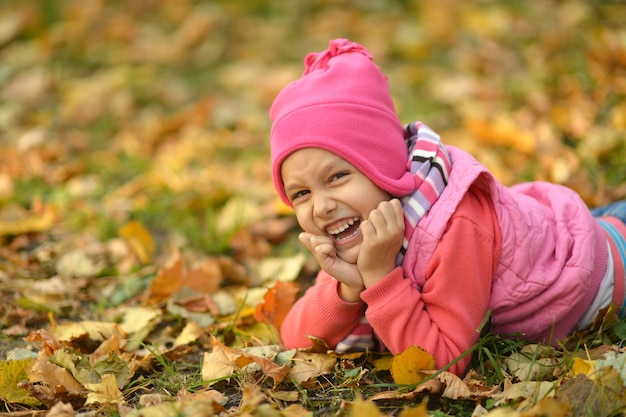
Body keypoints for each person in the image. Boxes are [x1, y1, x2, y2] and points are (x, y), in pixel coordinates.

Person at [268, 38, 626, 375]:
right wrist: (346, 289)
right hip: (560, 233)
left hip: (603, 270)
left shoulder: (454, 225)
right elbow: (295, 340)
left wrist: (379, 278)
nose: (321, 206)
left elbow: (442, 363)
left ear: (383, 167)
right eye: (300, 194)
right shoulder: (357, 225)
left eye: (336, 177)